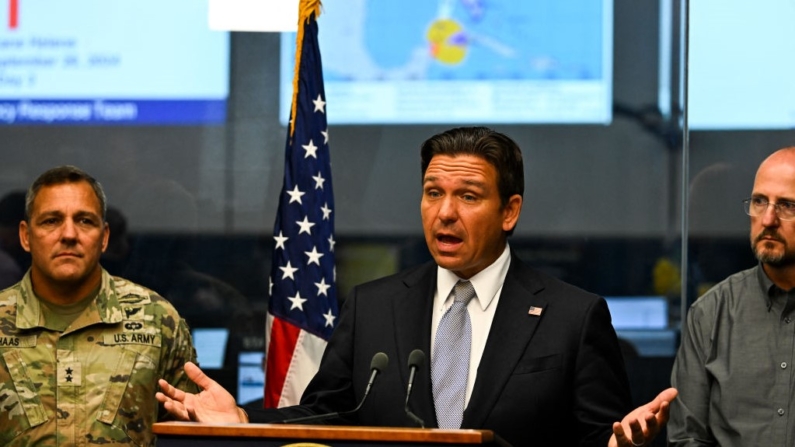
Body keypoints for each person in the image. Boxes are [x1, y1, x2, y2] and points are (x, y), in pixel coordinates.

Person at [158, 127, 677, 447]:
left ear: (510, 212)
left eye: (468, 196)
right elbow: (328, 414)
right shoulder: (373, 305)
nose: (445, 213)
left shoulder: (572, 316)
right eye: (433, 193)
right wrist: (244, 419)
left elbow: (602, 436)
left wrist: (621, 443)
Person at [0, 165, 198, 446]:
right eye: (51, 221)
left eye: (84, 221)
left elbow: (192, 429)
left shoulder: (156, 319)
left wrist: (235, 419)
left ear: (104, 237)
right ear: (26, 236)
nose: (69, 234)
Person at [668, 146, 795, 446]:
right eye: (759, 202)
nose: (767, 220)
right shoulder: (711, 313)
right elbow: (686, 438)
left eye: (788, 205)